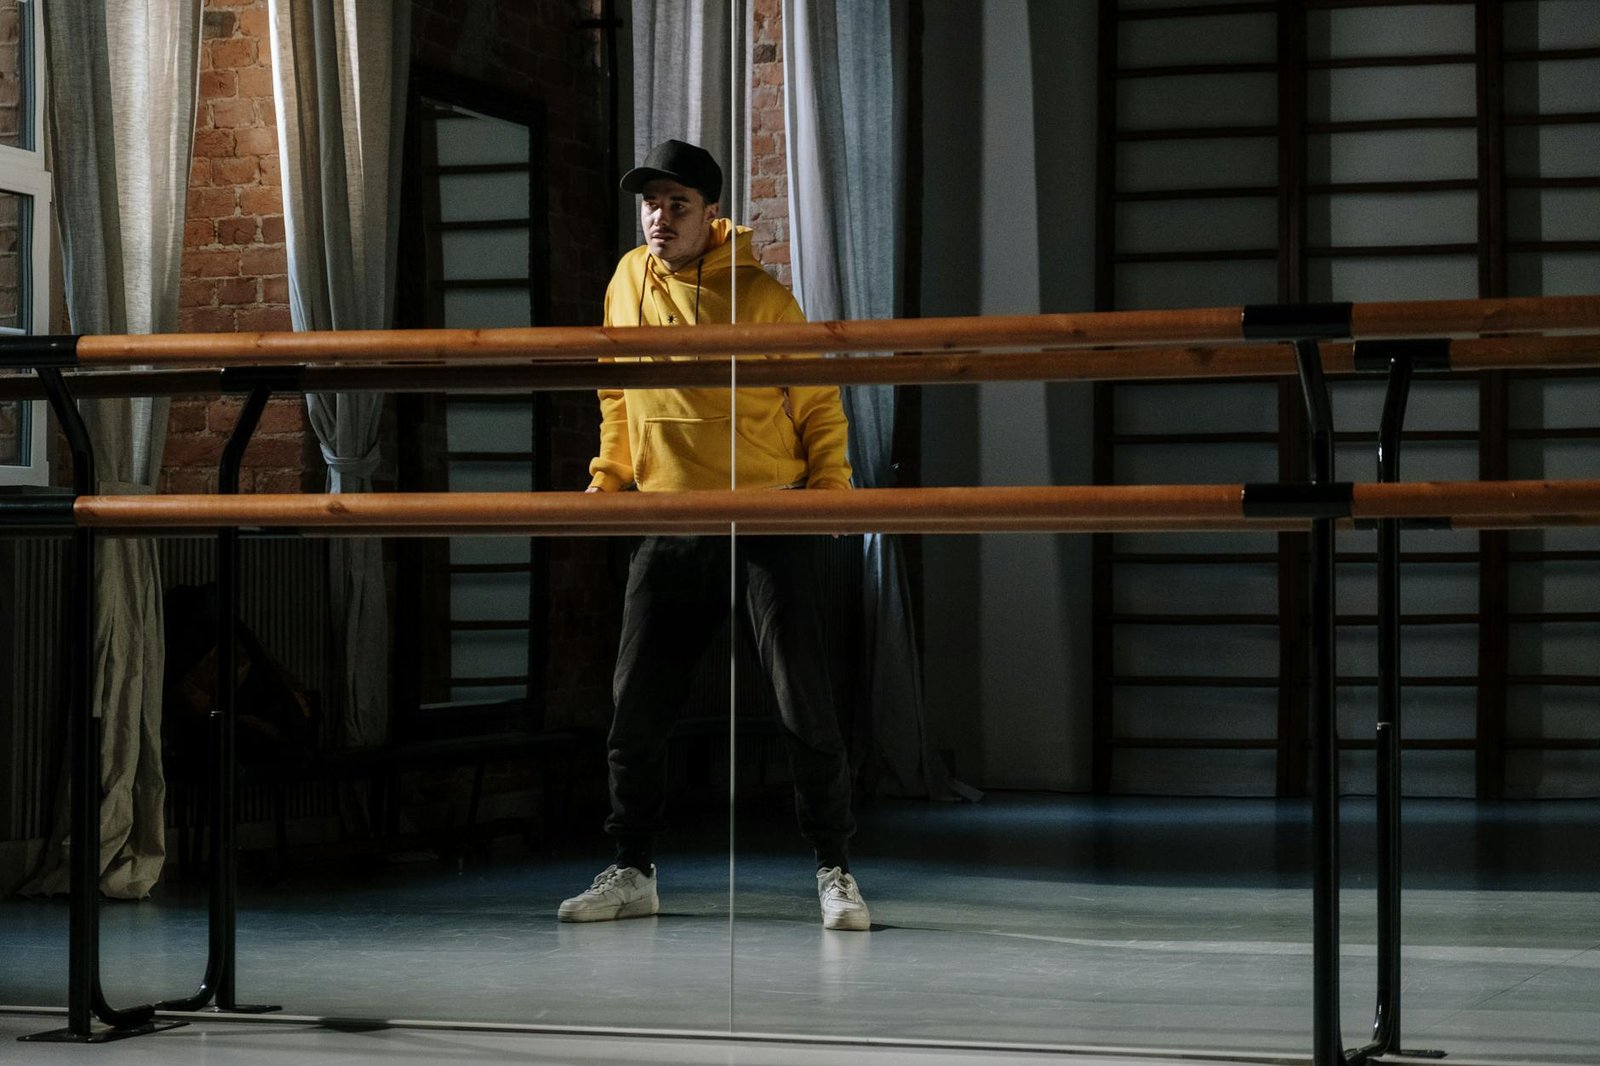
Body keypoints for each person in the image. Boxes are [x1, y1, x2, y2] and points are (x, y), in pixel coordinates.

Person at [558, 139, 869, 931]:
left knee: (804, 703)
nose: (659, 218)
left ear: (712, 215)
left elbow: (818, 400)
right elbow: (617, 393)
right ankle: (632, 867)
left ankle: (835, 867)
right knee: (637, 707)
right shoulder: (626, 280)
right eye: (651, 203)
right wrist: (609, 480)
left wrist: (830, 493)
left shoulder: (762, 297)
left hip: (768, 514)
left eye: (678, 205)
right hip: (668, 517)